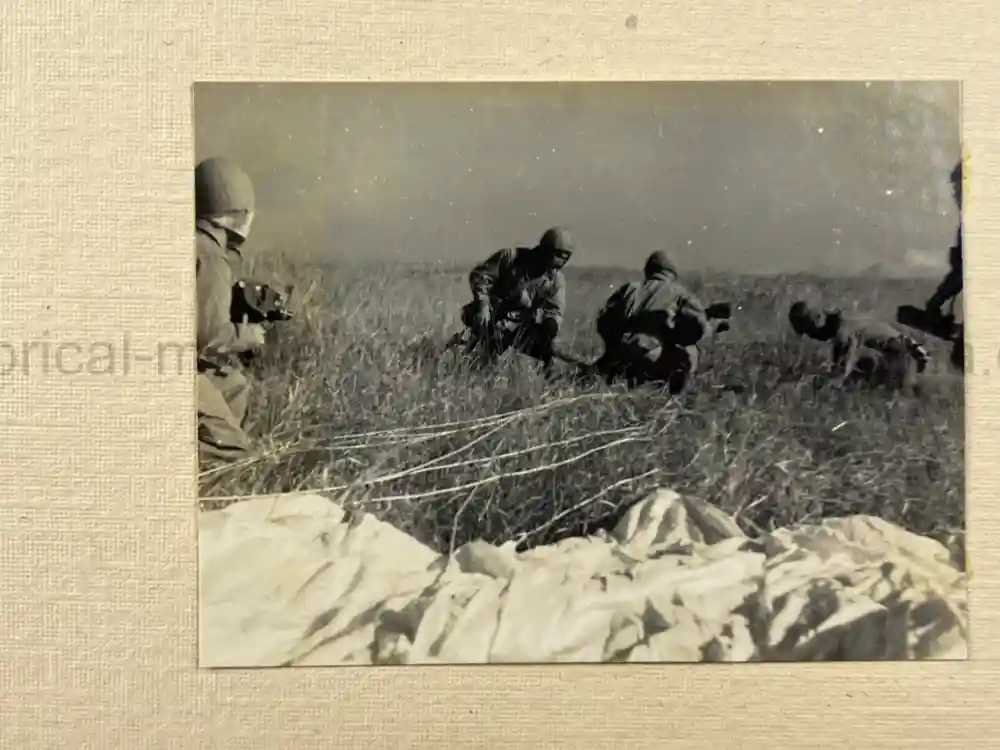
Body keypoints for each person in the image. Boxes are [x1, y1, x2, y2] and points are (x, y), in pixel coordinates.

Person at [195, 156, 268, 467]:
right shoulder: (210, 256)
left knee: (234, 385)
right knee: (235, 454)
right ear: (237, 213)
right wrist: (250, 334)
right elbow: (209, 337)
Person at [593, 251, 713, 394]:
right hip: (655, 356)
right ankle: (675, 398)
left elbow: (605, 320)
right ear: (672, 272)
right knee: (690, 351)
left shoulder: (630, 288)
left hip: (622, 355)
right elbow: (699, 326)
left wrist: (615, 345)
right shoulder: (679, 293)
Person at [460, 226, 574, 375]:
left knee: (547, 355)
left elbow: (554, 310)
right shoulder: (512, 258)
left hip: (518, 326)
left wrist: (549, 327)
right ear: (546, 249)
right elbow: (481, 276)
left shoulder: (555, 280)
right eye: (558, 255)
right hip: (489, 315)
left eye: (566, 257)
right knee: (476, 357)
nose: (562, 261)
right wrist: (483, 304)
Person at [788, 300, 930, 393]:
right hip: (904, 352)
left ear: (816, 323)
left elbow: (840, 374)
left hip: (903, 357)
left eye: (808, 331)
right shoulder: (844, 322)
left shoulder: (843, 334)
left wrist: (805, 376)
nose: (811, 337)